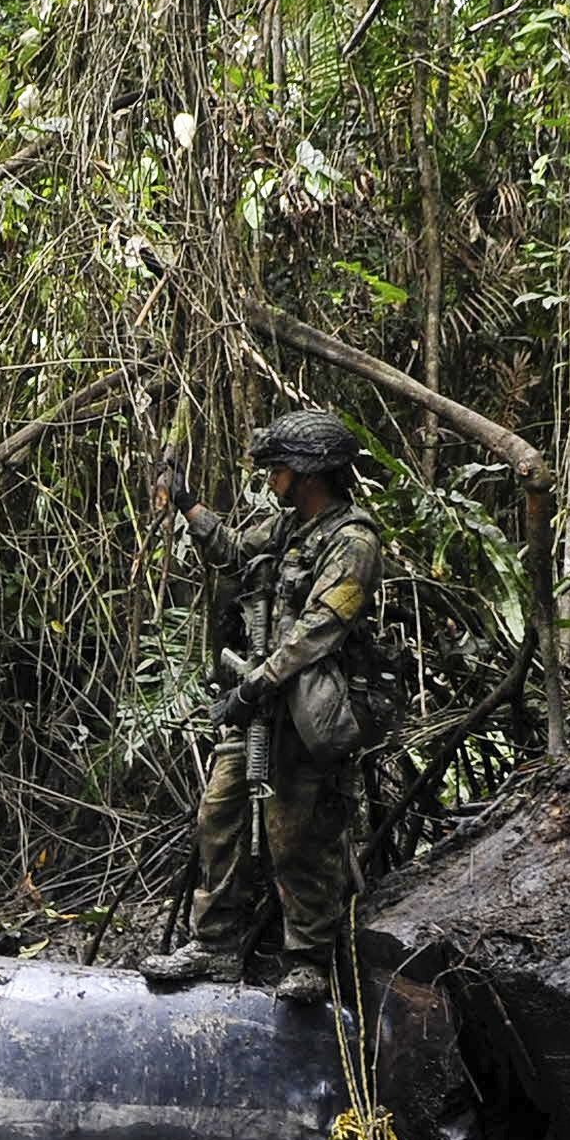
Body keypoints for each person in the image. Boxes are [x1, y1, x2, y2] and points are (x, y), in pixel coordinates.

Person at [141, 408, 389, 1007]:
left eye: (279, 468)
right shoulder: (287, 530)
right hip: (261, 709)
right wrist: (186, 502)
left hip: (311, 711)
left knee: (298, 832)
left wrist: (252, 687)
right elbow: (229, 549)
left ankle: (308, 959)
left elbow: (318, 631)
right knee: (218, 815)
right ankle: (215, 945)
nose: (271, 477)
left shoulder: (353, 541)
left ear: (309, 474)